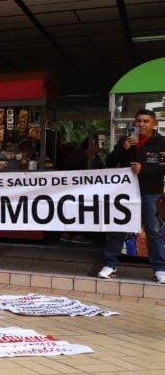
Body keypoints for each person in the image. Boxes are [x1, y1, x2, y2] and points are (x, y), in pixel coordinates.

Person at [98, 110, 165, 283]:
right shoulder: (125, 141)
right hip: (125, 194)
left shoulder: (161, 143)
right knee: (117, 229)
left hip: (150, 193)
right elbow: (110, 162)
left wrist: (144, 170)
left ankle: (160, 269)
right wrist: (123, 148)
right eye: (138, 121)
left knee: (154, 232)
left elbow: (163, 168)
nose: (141, 124)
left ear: (154, 124)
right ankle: (110, 265)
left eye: (146, 121)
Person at [60, 137, 105, 244]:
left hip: (88, 189)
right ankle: (73, 234)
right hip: (74, 188)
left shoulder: (96, 156)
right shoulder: (77, 154)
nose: (99, 146)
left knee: (82, 210)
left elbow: (101, 168)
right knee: (75, 209)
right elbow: (69, 166)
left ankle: (72, 233)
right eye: (97, 144)